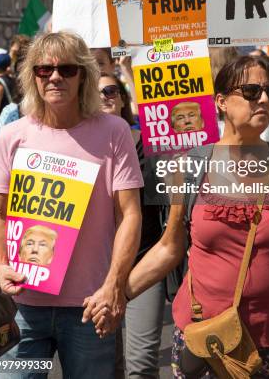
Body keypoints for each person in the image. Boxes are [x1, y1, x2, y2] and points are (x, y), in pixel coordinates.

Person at [119, 55, 269, 378]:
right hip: (207, 340)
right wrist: (117, 292)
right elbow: (169, 247)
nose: (263, 99)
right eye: (250, 91)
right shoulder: (190, 166)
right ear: (220, 102)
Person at [0, 31, 143, 379]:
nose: (54, 76)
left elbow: (130, 214)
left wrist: (114, 285)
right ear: (33, 76)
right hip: (23, 307)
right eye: (44, 70)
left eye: (66, 69)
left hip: (89, 307)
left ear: (82, 76)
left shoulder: (114, 132)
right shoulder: (13, 136)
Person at [98, 72, 165, 378]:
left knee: (140, 364)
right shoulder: (80, 147)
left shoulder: (151, 146)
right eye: (97, 91)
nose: (104, 96)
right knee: (104, 363)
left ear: (124, 99)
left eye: (111, 90)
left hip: (142, 261)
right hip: (96, 268)